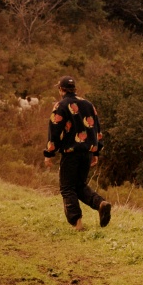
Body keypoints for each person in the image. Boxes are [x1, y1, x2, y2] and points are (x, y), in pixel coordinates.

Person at [43, 76, 111, 231]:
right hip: (87, 152)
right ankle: (100, 203)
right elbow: (96, 130)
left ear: (61, 89)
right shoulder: (88, 104)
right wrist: (96, 152)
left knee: (67, 188)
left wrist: (49, 153)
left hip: (71, 153)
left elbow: (54, 131)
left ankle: (77, 223)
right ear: (74, 89)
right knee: (79, 186)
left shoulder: (61, 105)